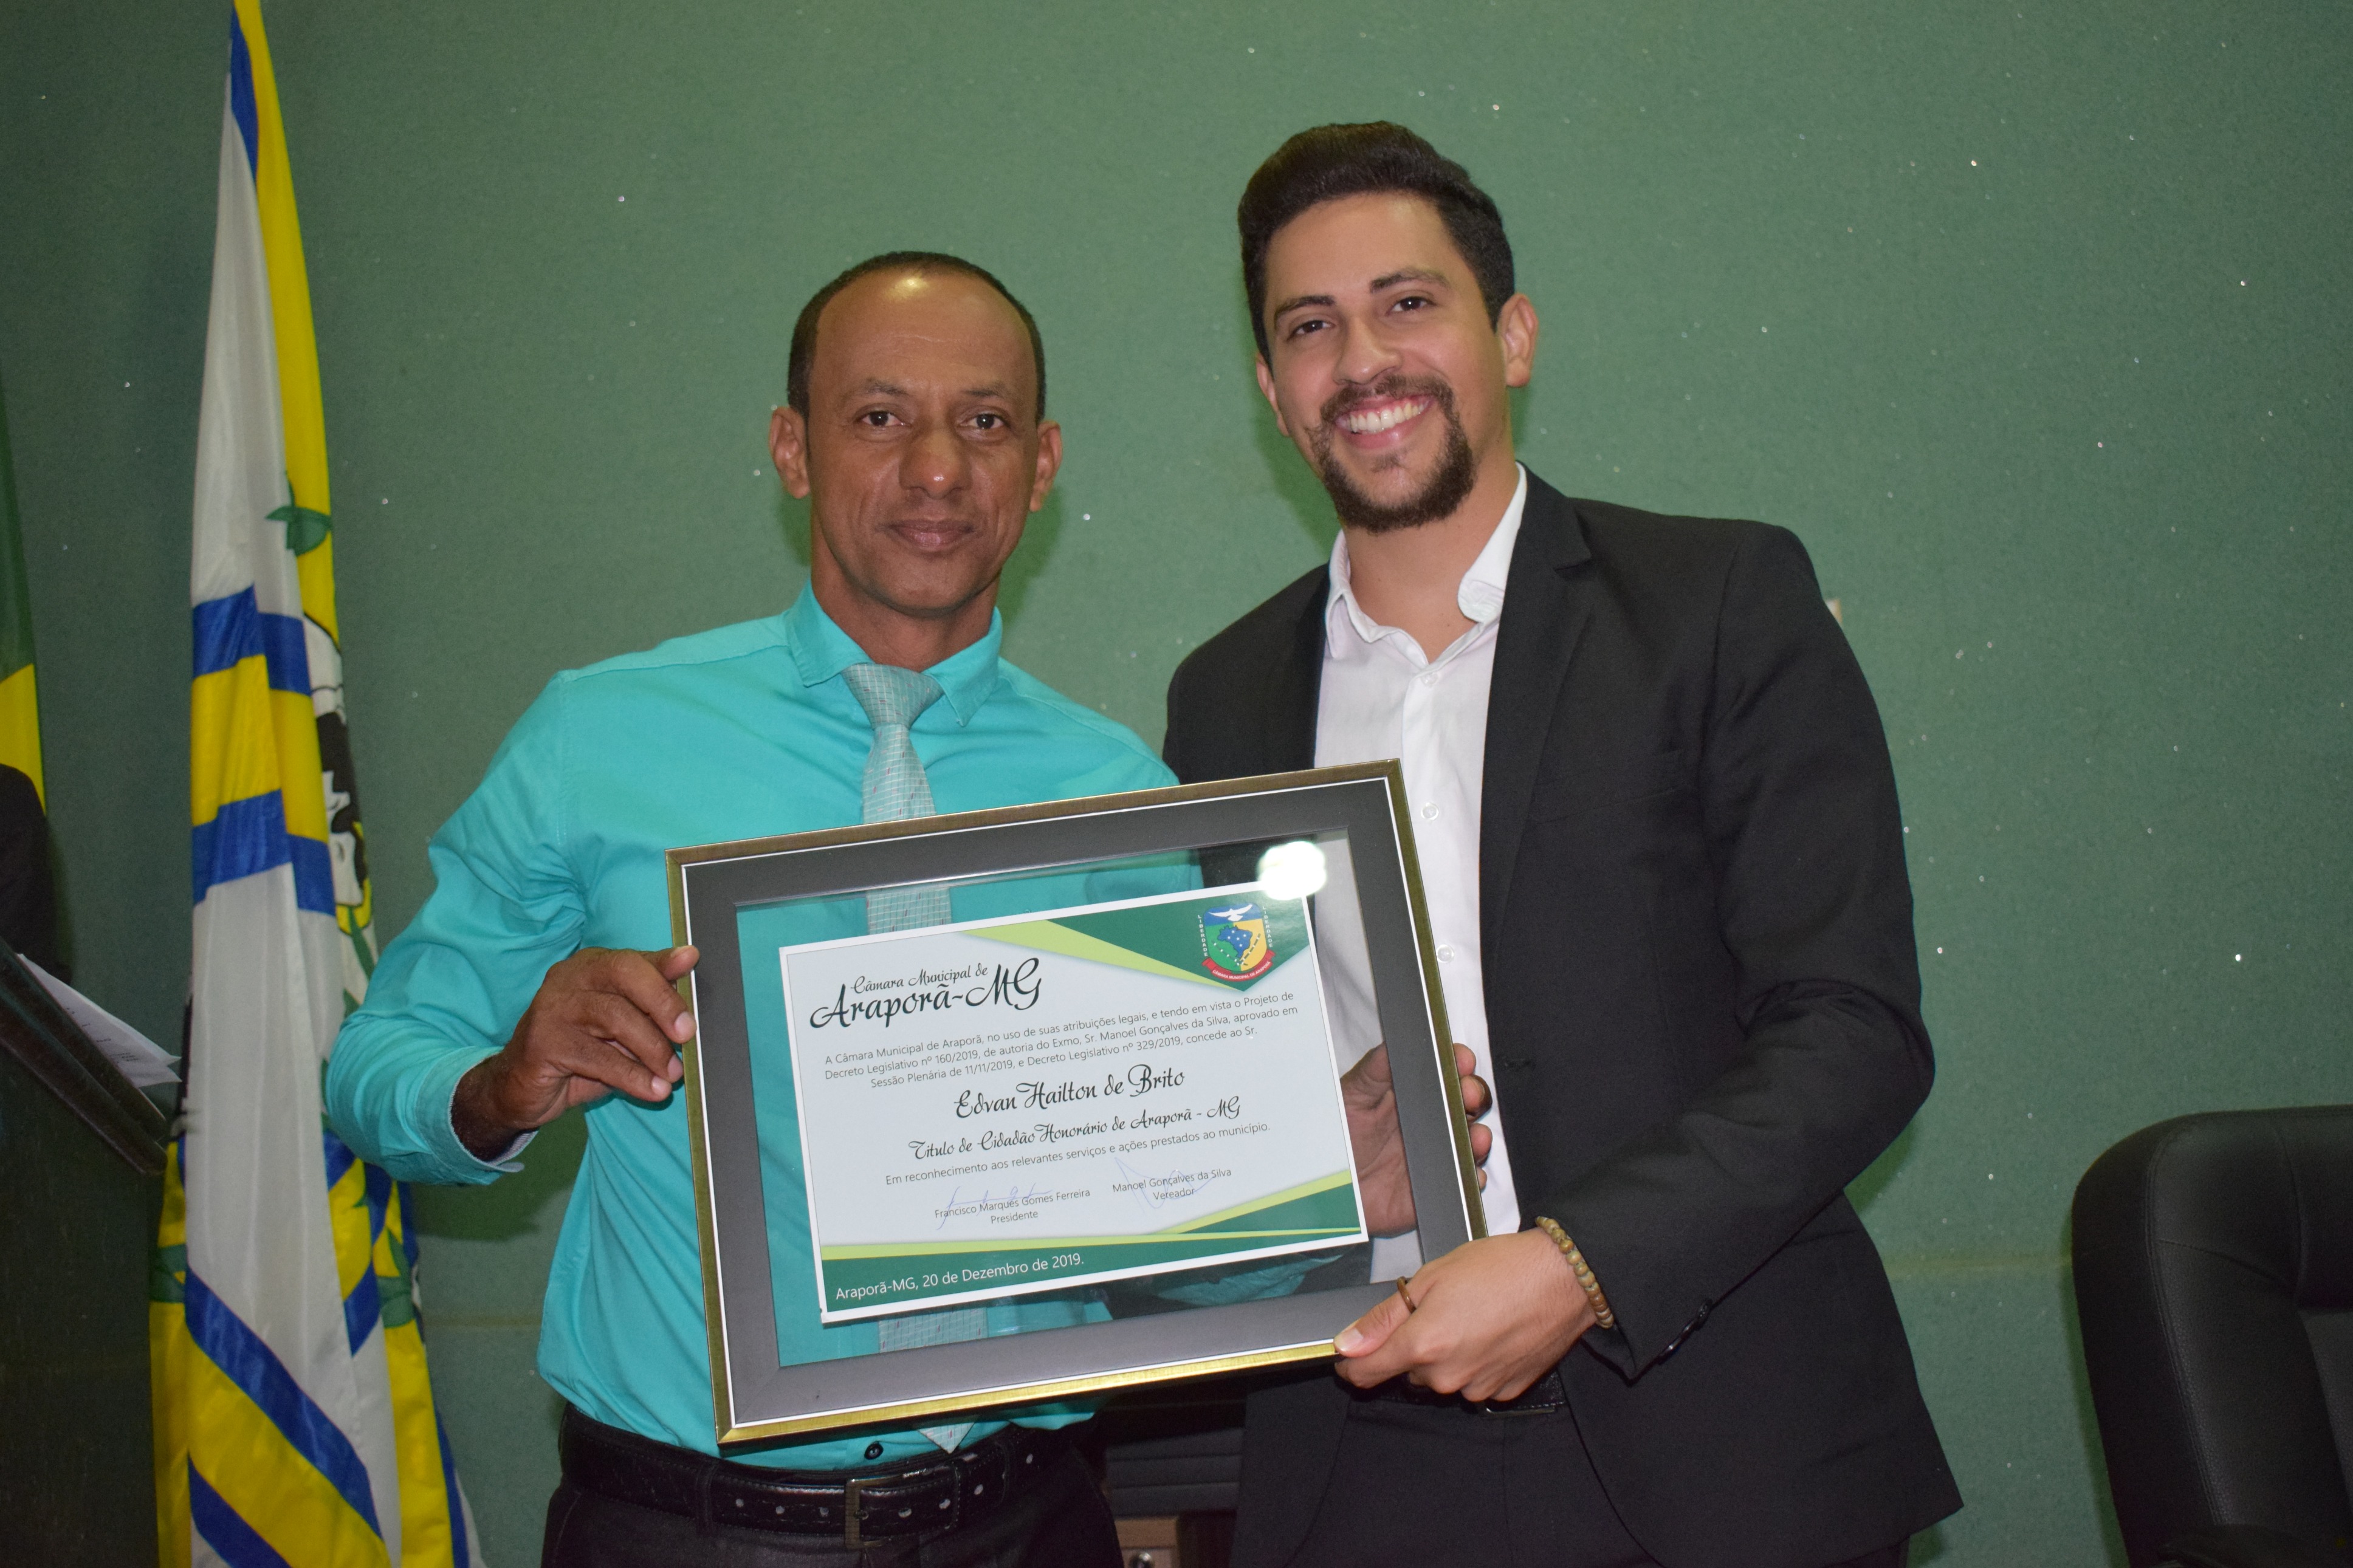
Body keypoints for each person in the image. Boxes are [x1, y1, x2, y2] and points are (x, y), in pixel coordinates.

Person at [1163, 124, 1962, 1568]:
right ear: (1273, 392)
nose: (1363, 360)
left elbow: (1852, 1029)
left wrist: (1578, 1265)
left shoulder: (1718, 599)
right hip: (1358, 1459)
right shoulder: (1219, 698)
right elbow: (1219, 1081)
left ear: (1513, 336)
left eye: (1409, 303)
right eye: (1309, 326)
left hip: (1719, 1440)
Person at [327, 252, 1156, 1567]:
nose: (937, 468)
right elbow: (372, 1066)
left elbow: (1176, 1197)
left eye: (985, 421)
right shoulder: (598, 735)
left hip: (1028, 1521)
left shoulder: (1120, 791)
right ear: (792, 449)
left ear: (1040, 465)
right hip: (689, 1529)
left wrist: (1315, 1163)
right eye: (878, 416)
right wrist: (502, 1083)